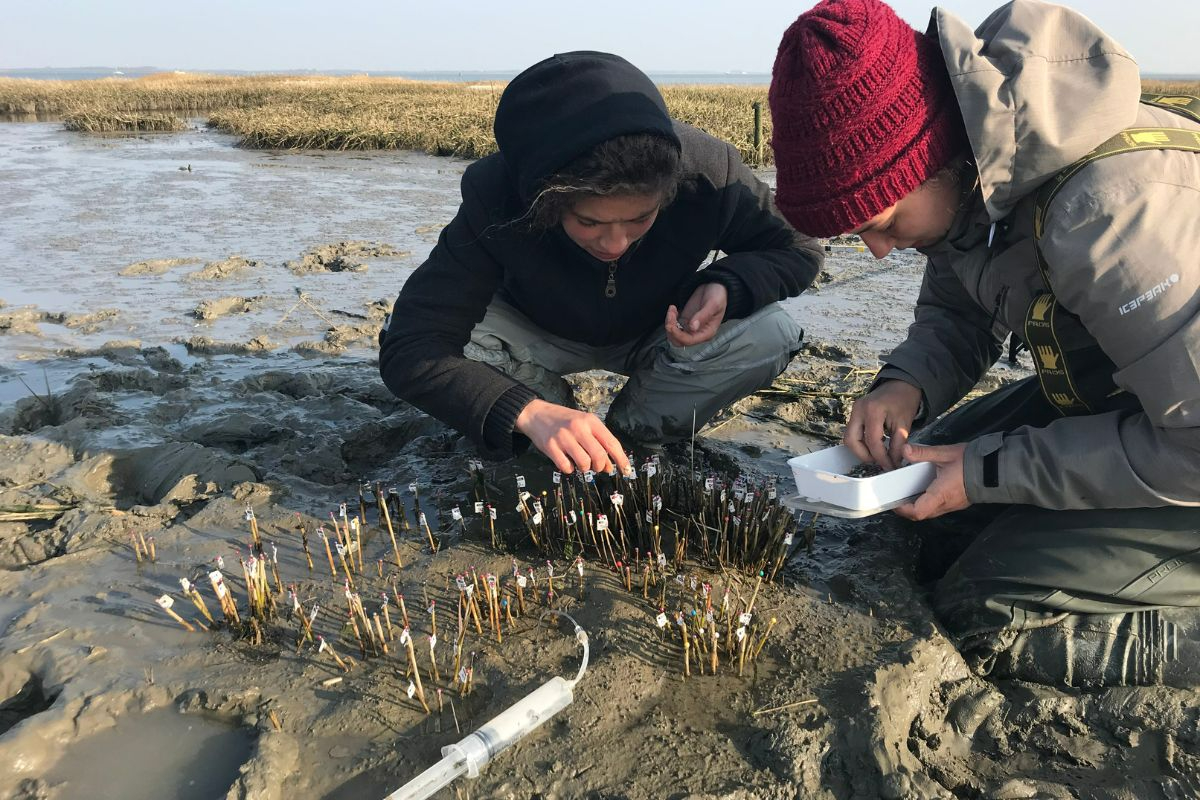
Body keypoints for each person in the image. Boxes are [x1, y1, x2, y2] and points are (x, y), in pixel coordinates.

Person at [769, 0, 1199, 687]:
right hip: (1134, 403)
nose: (877, 252)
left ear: (930, 153)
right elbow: (959, 301)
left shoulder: (1110, 220)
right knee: (915, 508)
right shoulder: (978, 173)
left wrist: (987, 471)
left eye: (880, 223)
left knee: (983, 611)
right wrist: (903, 383)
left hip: (1189, 450)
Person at [380, 51, 823, 476]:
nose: (615, 243)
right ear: (544, 201)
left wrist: (729, 283)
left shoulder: (709, 173)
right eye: (589, 222)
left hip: (662, 330)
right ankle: (552, 417)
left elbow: (799, 246)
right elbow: (412, 344)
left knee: (771, 333)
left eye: (640, 219)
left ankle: (631, 432)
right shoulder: (495, 194)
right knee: (457, 346)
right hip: (535, 330)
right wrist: (525, 410)